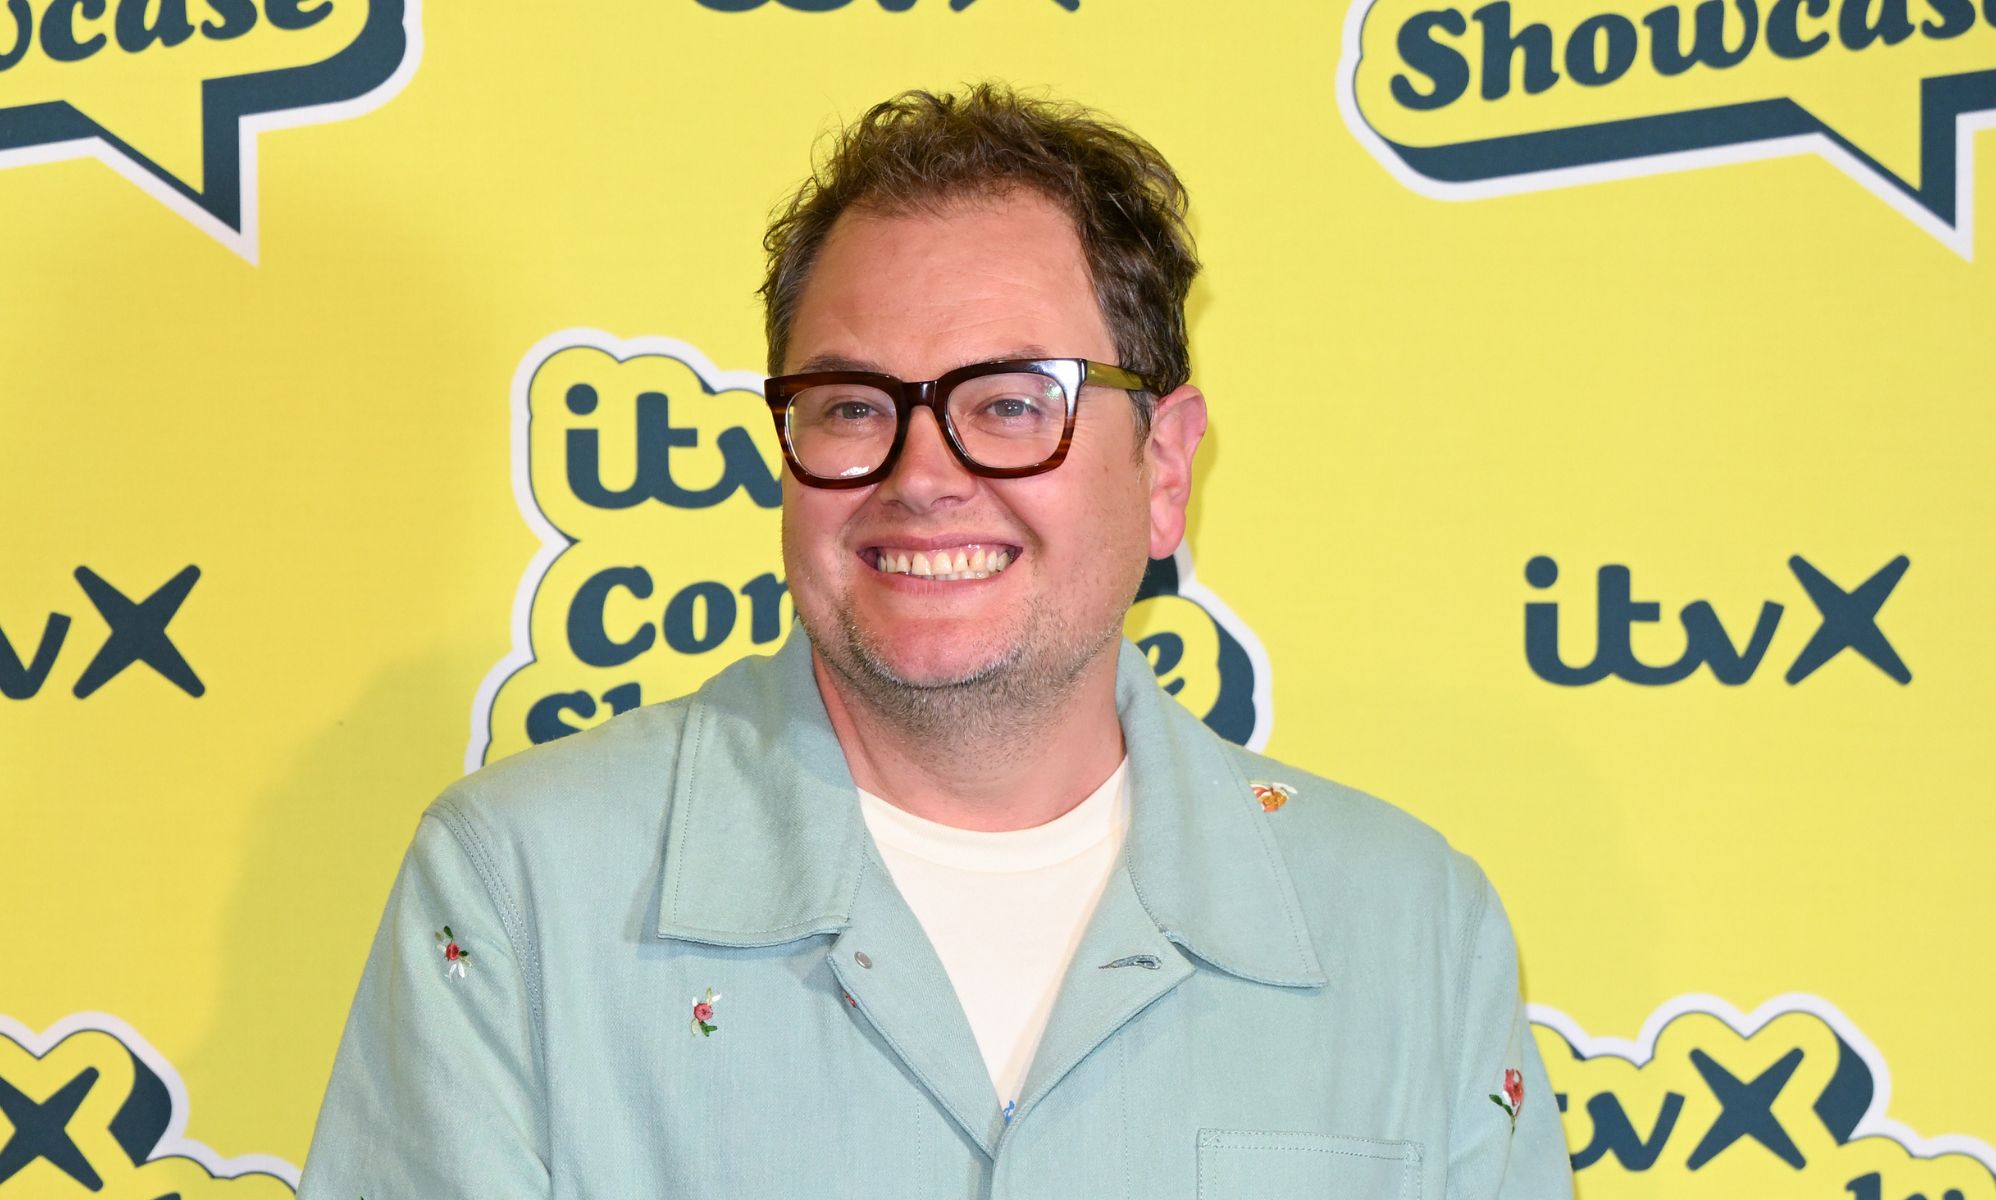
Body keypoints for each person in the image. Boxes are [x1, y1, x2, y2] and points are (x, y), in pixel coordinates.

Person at [297, 85, 1574, 1198]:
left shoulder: (1410, 932)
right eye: (853, 406)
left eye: (1012, 404)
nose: (923, 474)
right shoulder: (522, 896)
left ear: (1166, 467)